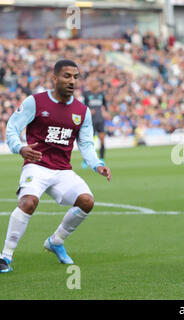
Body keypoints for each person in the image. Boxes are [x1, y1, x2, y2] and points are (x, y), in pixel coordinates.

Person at [0, 60, 111, 273]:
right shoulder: (35, 102)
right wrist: (19, 148)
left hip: (62, 170)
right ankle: (5, 257)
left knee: (86, 201)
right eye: (67, 76)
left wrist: (97, 164)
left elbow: (86, 143)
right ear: (54, 78)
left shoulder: (82, 111)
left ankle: (55, 241)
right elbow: (12, 127)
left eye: (75, 77)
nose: (72, 81)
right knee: (29, 202)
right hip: (36, 166)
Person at [82, 78, 108, 167]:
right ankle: (87, 160)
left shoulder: (101, 94)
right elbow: (83, 107)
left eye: (96, 83)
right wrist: (89, 110)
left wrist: (105, 112)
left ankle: (102, 158)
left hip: (100, 120)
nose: (95, 85)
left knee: (102, 139)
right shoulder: (87, 94)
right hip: (91, 121)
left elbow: (105, 105)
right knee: (89, 141)